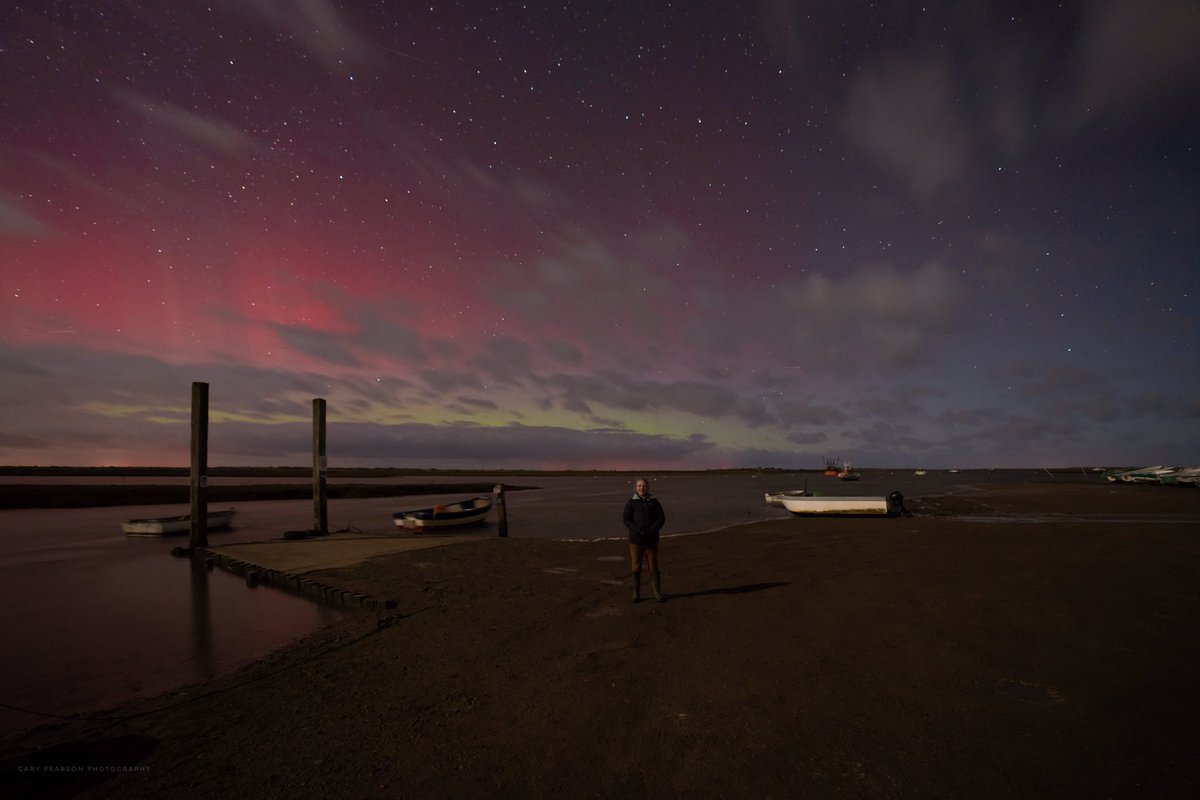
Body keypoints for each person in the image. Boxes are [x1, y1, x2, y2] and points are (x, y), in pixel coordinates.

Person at [622, 477, 666, 602]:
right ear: (636, 488)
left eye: (644, 486)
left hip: (652, 540)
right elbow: (626, 519)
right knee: (636, 567)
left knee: (653, 567)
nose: (642, 488)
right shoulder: (630, 502)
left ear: (648, 487)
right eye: (639, 486)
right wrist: (637, 530)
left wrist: (652, 530)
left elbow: (661, 518)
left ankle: (657, 593)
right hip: (636, 541)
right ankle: (636, 594)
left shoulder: (654, 501)